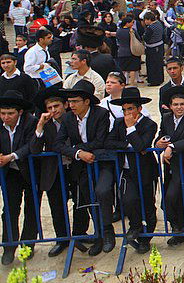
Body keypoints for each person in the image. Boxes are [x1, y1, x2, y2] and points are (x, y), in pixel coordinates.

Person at [55, 80, 115, 255]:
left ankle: (108, 231)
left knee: (102, 191)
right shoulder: (67, 118)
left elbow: (100, 141)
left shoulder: (101, 114)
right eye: (70, 102)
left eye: (75, 101)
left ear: (87, 101)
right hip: (81, 166)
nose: (71, 105)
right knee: (88, 199)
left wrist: (79, 149)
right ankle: (99, 236)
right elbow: (58, 143)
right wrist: (78, 153)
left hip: (102, 163)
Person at [106, 87, 158, 254]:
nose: (127, 113)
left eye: (130, 109)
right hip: (127, 170)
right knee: (128, 200)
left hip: (145, 170)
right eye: (124, 109)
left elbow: (142, 145)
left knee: (148, 204)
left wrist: (131, 129)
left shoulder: (149, 124)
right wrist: (129, 145)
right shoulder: (119, 122)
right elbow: (110, 141)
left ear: (139, 109)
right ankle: (135, 226)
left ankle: (145, 238)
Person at [156, 85, 184, 245]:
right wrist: (159, 143)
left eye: (182, 104)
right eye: (175, 104)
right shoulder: (166, 118)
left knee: (181, 197)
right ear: (170, 106)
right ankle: (177, 227)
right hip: (170, 165)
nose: (179, 107)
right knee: (168, 198)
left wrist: (172, 147)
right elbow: (162, 134)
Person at [29, 89, 70, 257]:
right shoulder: (45, 124)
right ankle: (62, 239)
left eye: (57, 106)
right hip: (54, 169)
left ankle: (82, 235)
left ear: (65, 105)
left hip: (74, 167)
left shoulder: (72, 119)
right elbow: (35, 149)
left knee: (82, 203)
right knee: (56, 205)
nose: (54, 110)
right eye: (50, 107)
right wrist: (40, 127)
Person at [0, 91, 37, 265]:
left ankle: (27, 245)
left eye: (10, 113)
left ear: (20, 112)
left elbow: (31, 145)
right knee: (9, 209)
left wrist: (11, 156)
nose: (5, 117)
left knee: (32, 208)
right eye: (2, 113)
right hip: (10, 172)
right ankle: (9, 246)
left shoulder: (31, 122)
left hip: (31, 171)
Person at [115, 16, 142, 87]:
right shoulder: (132, 31)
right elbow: (139, 39)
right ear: (127, 23)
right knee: (132, 69)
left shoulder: (119, 31)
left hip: (121, 52)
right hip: (132, 52)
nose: (132, 24)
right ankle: (132, 84)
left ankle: (122, 83)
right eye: (131, 22)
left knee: (123, 69)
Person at [141, 12, 165, 86]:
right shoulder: (159, 23)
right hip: (160, 46)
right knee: (159, 64)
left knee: (152, 65)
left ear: (149, 20)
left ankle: (154, 81)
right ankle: (160, 79)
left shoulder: (150, 28)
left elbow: (146, 38)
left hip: (152, 48)